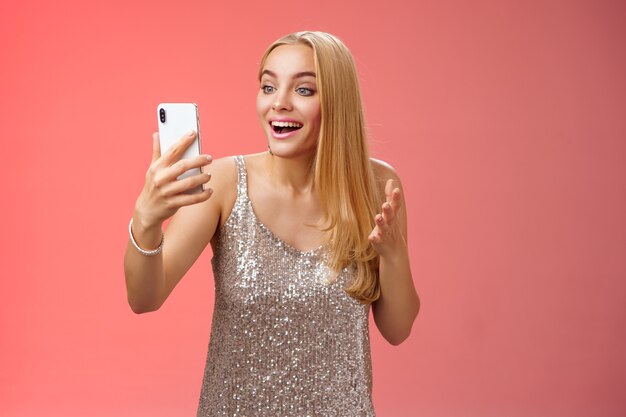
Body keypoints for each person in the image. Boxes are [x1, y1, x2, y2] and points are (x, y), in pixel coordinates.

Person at [124, 31, 420, 416]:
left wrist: (393, 255)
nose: (278, 103)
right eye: (268, 86)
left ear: (338, 101)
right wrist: (146, 219)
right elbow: (144, 298)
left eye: (304, 90)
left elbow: (397, 331)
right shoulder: (223, 184)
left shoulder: (378, 186)